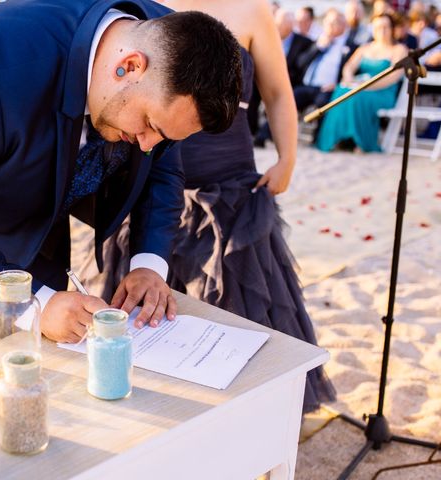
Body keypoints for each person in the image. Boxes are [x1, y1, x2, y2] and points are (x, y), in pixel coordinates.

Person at [0, 0, 242, 364]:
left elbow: (163, 171)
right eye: (151, 126)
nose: (148, 145)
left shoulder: (171, 43)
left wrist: (149, 264)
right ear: (131, 66)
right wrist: (32, 304)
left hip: (43, 228)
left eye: (165, 137)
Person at [79, 0, 336, 413]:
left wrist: (287, 158)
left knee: (238, 309)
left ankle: (247, 414)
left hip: (228, 188)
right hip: (149, 182)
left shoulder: (252, 10)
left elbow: (277, 91)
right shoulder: (142, 9)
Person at [257, 8, 351, 145]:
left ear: (343, 25)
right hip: (306, 85)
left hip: (328, 88)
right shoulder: (316, 42)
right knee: (287, 102)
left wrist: (337, 84)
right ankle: (263, 136)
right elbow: (300, 63)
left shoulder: (348, 46)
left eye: (335, 23)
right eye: (328, 23)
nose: (330, 27)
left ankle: (318, 139)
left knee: (323, 103)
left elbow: (350, 70)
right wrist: (318, 47)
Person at [317, 13, 407, 152]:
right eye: (378, 27)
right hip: (359, 86)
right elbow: (348, 67)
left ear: (392, 29)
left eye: (385, 27)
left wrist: (365, 86)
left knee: (358, 97)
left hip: (382, 92)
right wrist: (348, 79)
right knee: (341, 90)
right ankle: (338, 138)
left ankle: (360, 142)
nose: (382, 31)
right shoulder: (365, 48)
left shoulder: (399, 49)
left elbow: (393, 77)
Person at [249, 7, 313, 136]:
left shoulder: (304, 42)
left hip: (289, 81)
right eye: (277, 23)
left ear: (290, 25)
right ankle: (252, 129)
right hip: (265, 78)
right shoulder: (268, 37)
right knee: (250, 89)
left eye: (282, 24)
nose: (278, 27)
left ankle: (271, 133)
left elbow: (301, 67)